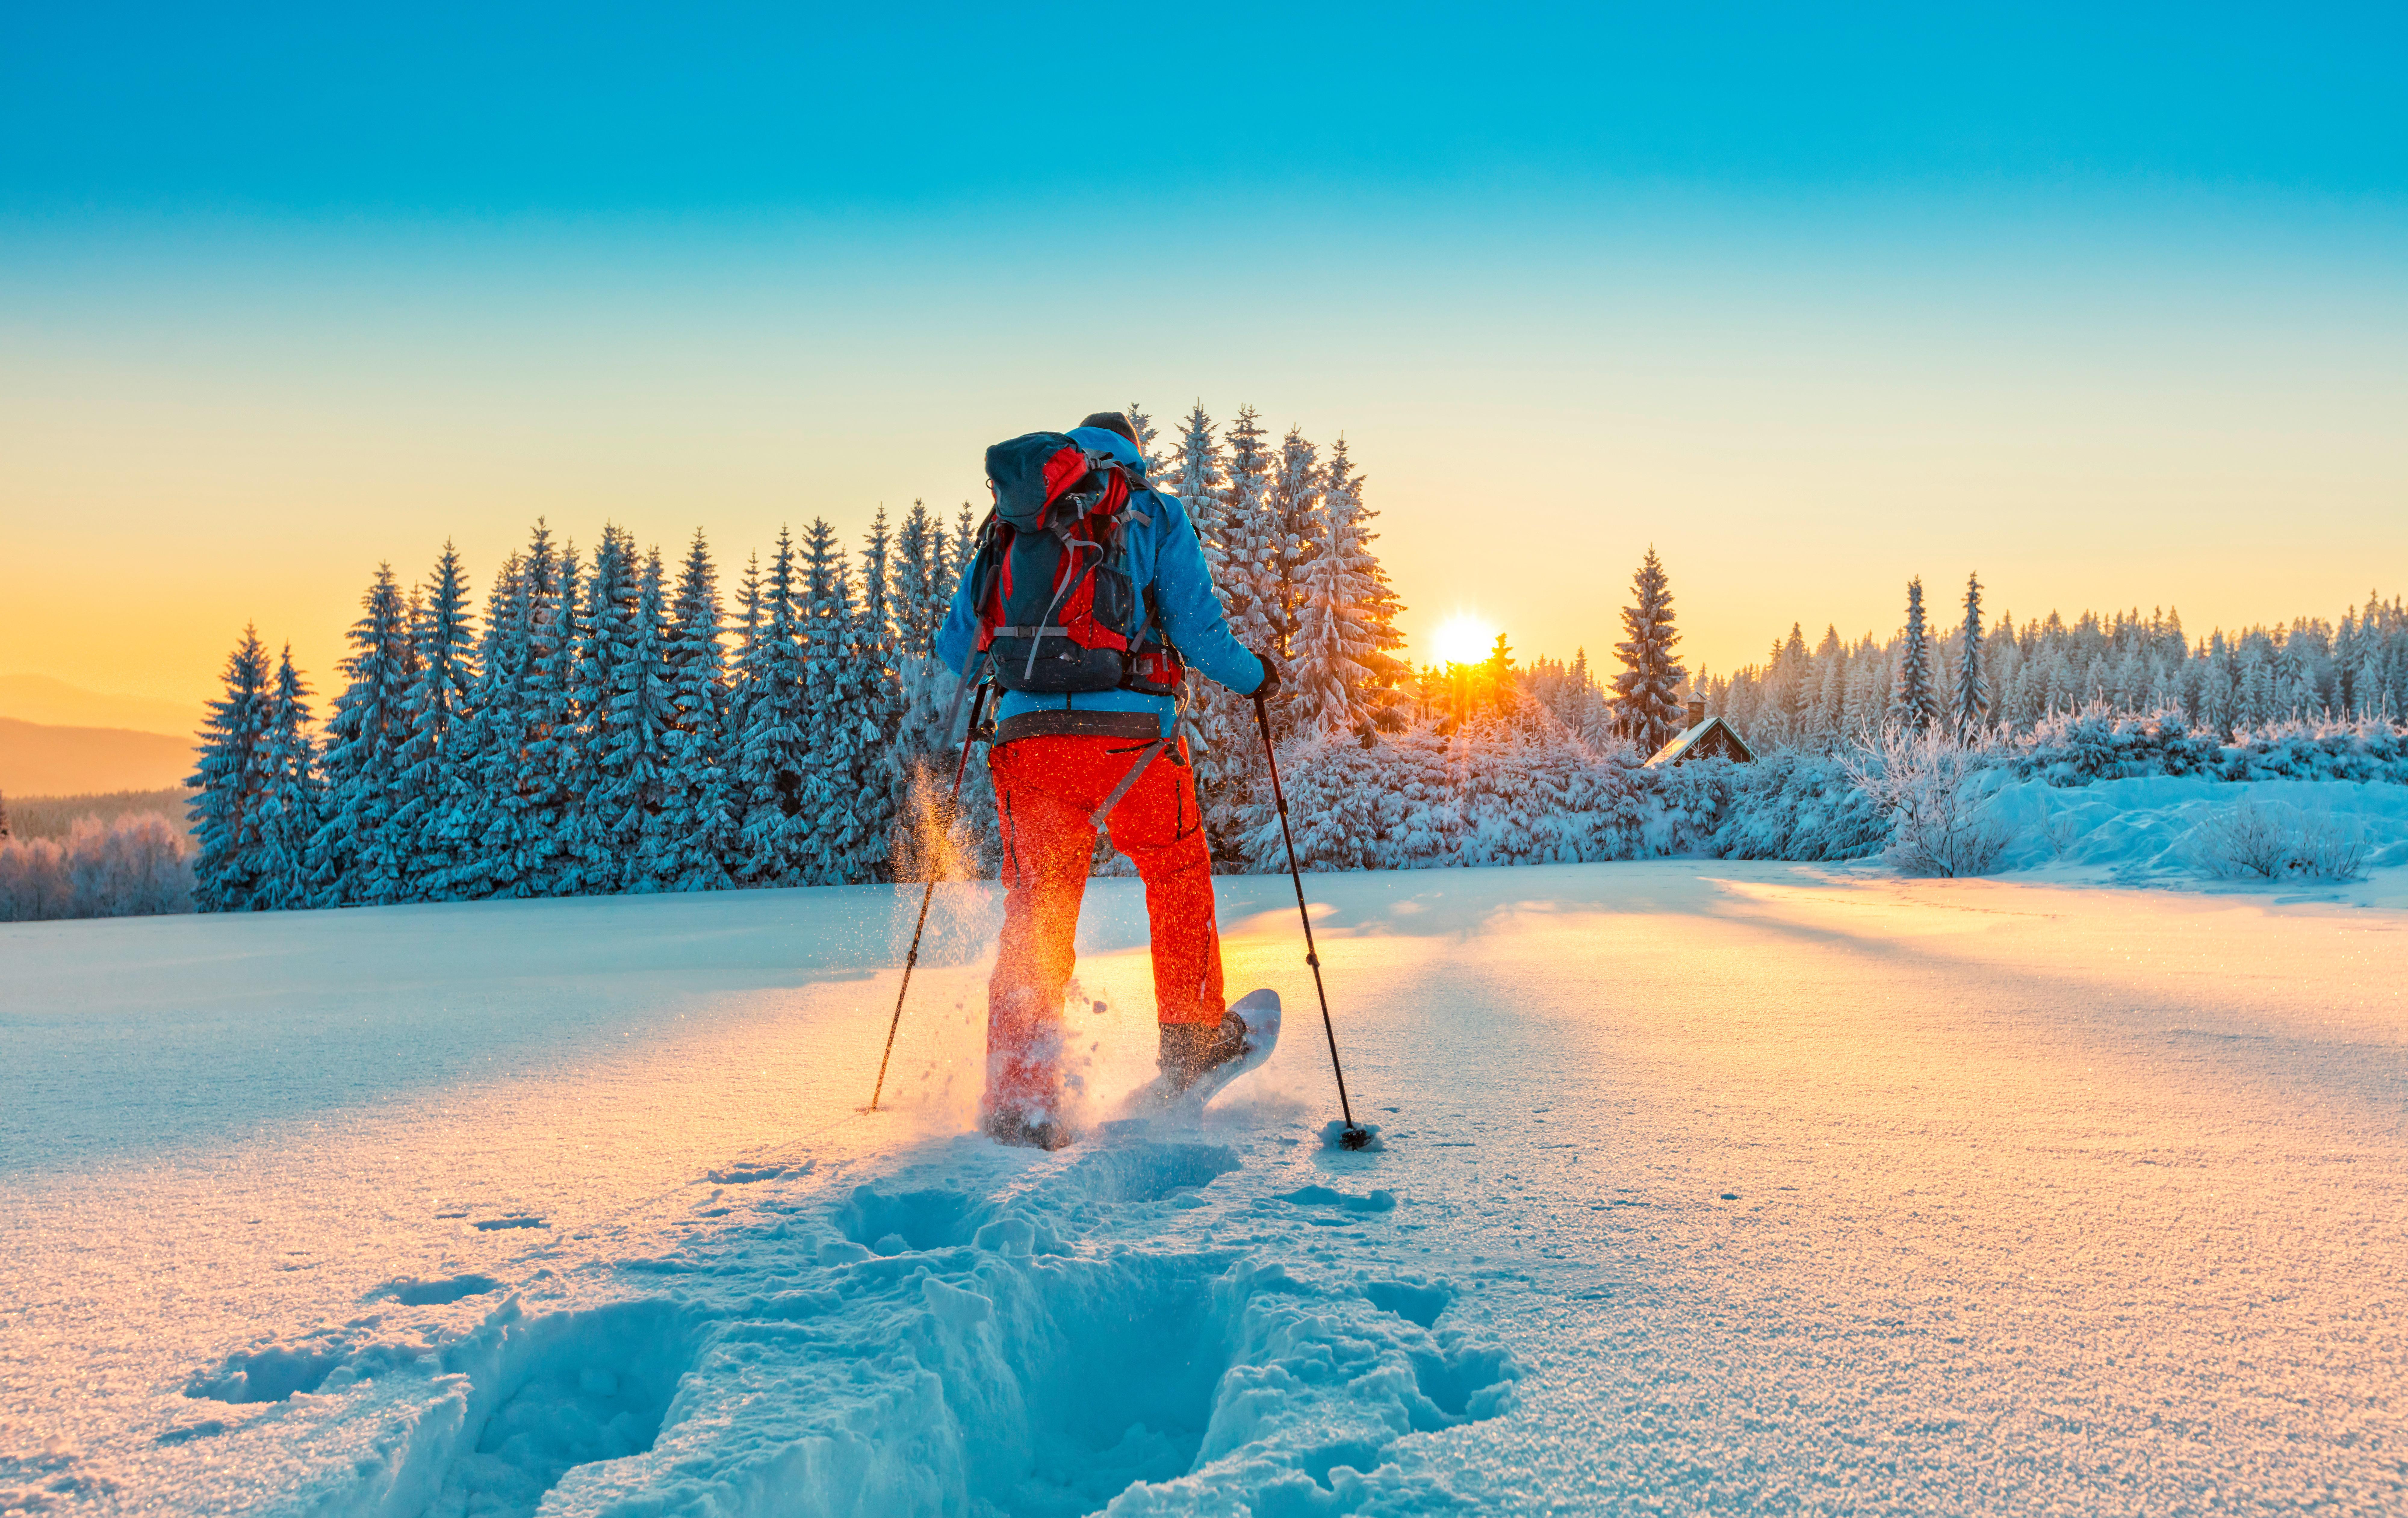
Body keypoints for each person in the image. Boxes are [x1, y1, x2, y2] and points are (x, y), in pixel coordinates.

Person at [933, 411, 1278, 1148]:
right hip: (1132, 745)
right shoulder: (1151, 510)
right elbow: (1198, 632)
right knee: (1175, 870)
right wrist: (1256, 678)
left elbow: (956, 646)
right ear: (1133, 454)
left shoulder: (1012, 522)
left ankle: (1020, 1098)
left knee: (1037, 911)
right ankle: (1190, 1039)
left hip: (1028, 747)